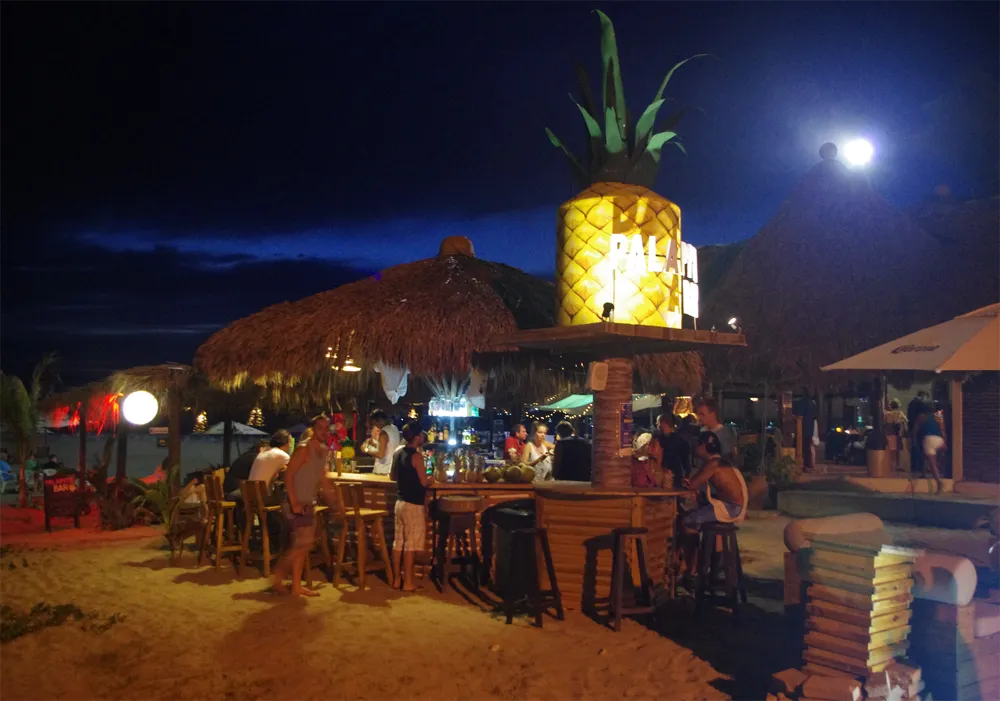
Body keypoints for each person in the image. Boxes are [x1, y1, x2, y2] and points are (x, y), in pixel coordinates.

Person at [272, 414, 334, 597]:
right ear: (313, 430)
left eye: (326, 428)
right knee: (302, 543)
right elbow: (288, 475)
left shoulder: (322, 450)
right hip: (296, 501)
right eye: (321, 428)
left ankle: (296, 585)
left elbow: (321, 477)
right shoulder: (304, 449)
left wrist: (331, 498)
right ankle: (277, 579)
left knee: (303, 545)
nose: (324, 431)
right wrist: (293, 502)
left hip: (307, 501)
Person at [677, 431, 749, 580]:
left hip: (730, 508)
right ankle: (695, 566)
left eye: (698, 444)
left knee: (688, 521)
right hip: (731, 506)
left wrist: (682, 484)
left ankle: (691, 567)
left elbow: (692, 485)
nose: (695, 447)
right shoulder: (718, 462)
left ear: (704, 446)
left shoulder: (713, 464)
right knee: (694, 517)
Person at [389, 421, 433, 592]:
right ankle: (408, 582)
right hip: (413, 505)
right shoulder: (417, 456)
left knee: (398, 543)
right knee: (411, 545)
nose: (423, 437)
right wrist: (432, 479)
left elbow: (392, 476)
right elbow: (423, 482)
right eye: (421, 434)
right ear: (416, 437)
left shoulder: (397, 453)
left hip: (399, 503)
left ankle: (396, 580)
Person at [695, 397, 738, 464]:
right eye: (698, 414)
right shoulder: (700, 432)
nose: (699, 418)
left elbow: (727, 460)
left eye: (702, 414)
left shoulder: (725, 434)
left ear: (712, 414)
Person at [914, 407, 946, 494]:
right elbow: (942, 430)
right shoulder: (937, 417)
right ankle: (940, 471)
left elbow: (915, 431)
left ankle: (938, 481)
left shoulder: (921, 417)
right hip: (939, 439)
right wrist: (944, 442)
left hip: (929, 439)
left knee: (932, 463)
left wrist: (914, 441)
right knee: (937, 456)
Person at [656, 413, 692, 488]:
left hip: (664, 478)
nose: (657, 427)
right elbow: (687, 464)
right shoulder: (683, 441)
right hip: (679, 477)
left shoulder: (660, 441)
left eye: (658, 424)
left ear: (664, 423)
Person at [363, 410, 401, 476]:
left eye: (375, 423)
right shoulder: (395, 428)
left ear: (380, 420)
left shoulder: (383, 432)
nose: (376, 426)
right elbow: (389, 446)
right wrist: (374, 443)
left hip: (382, 470)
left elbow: (381, 454)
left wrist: (366, 450)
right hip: (391, 468)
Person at [883, 399, 908, 473]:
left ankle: (890, 465)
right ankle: (897, 465)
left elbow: (884, 423)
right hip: (897, 433)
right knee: (897, 450)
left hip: (889, 432)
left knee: (890, 449)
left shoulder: (887, 414)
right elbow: (905, 421)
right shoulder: (899, 413)